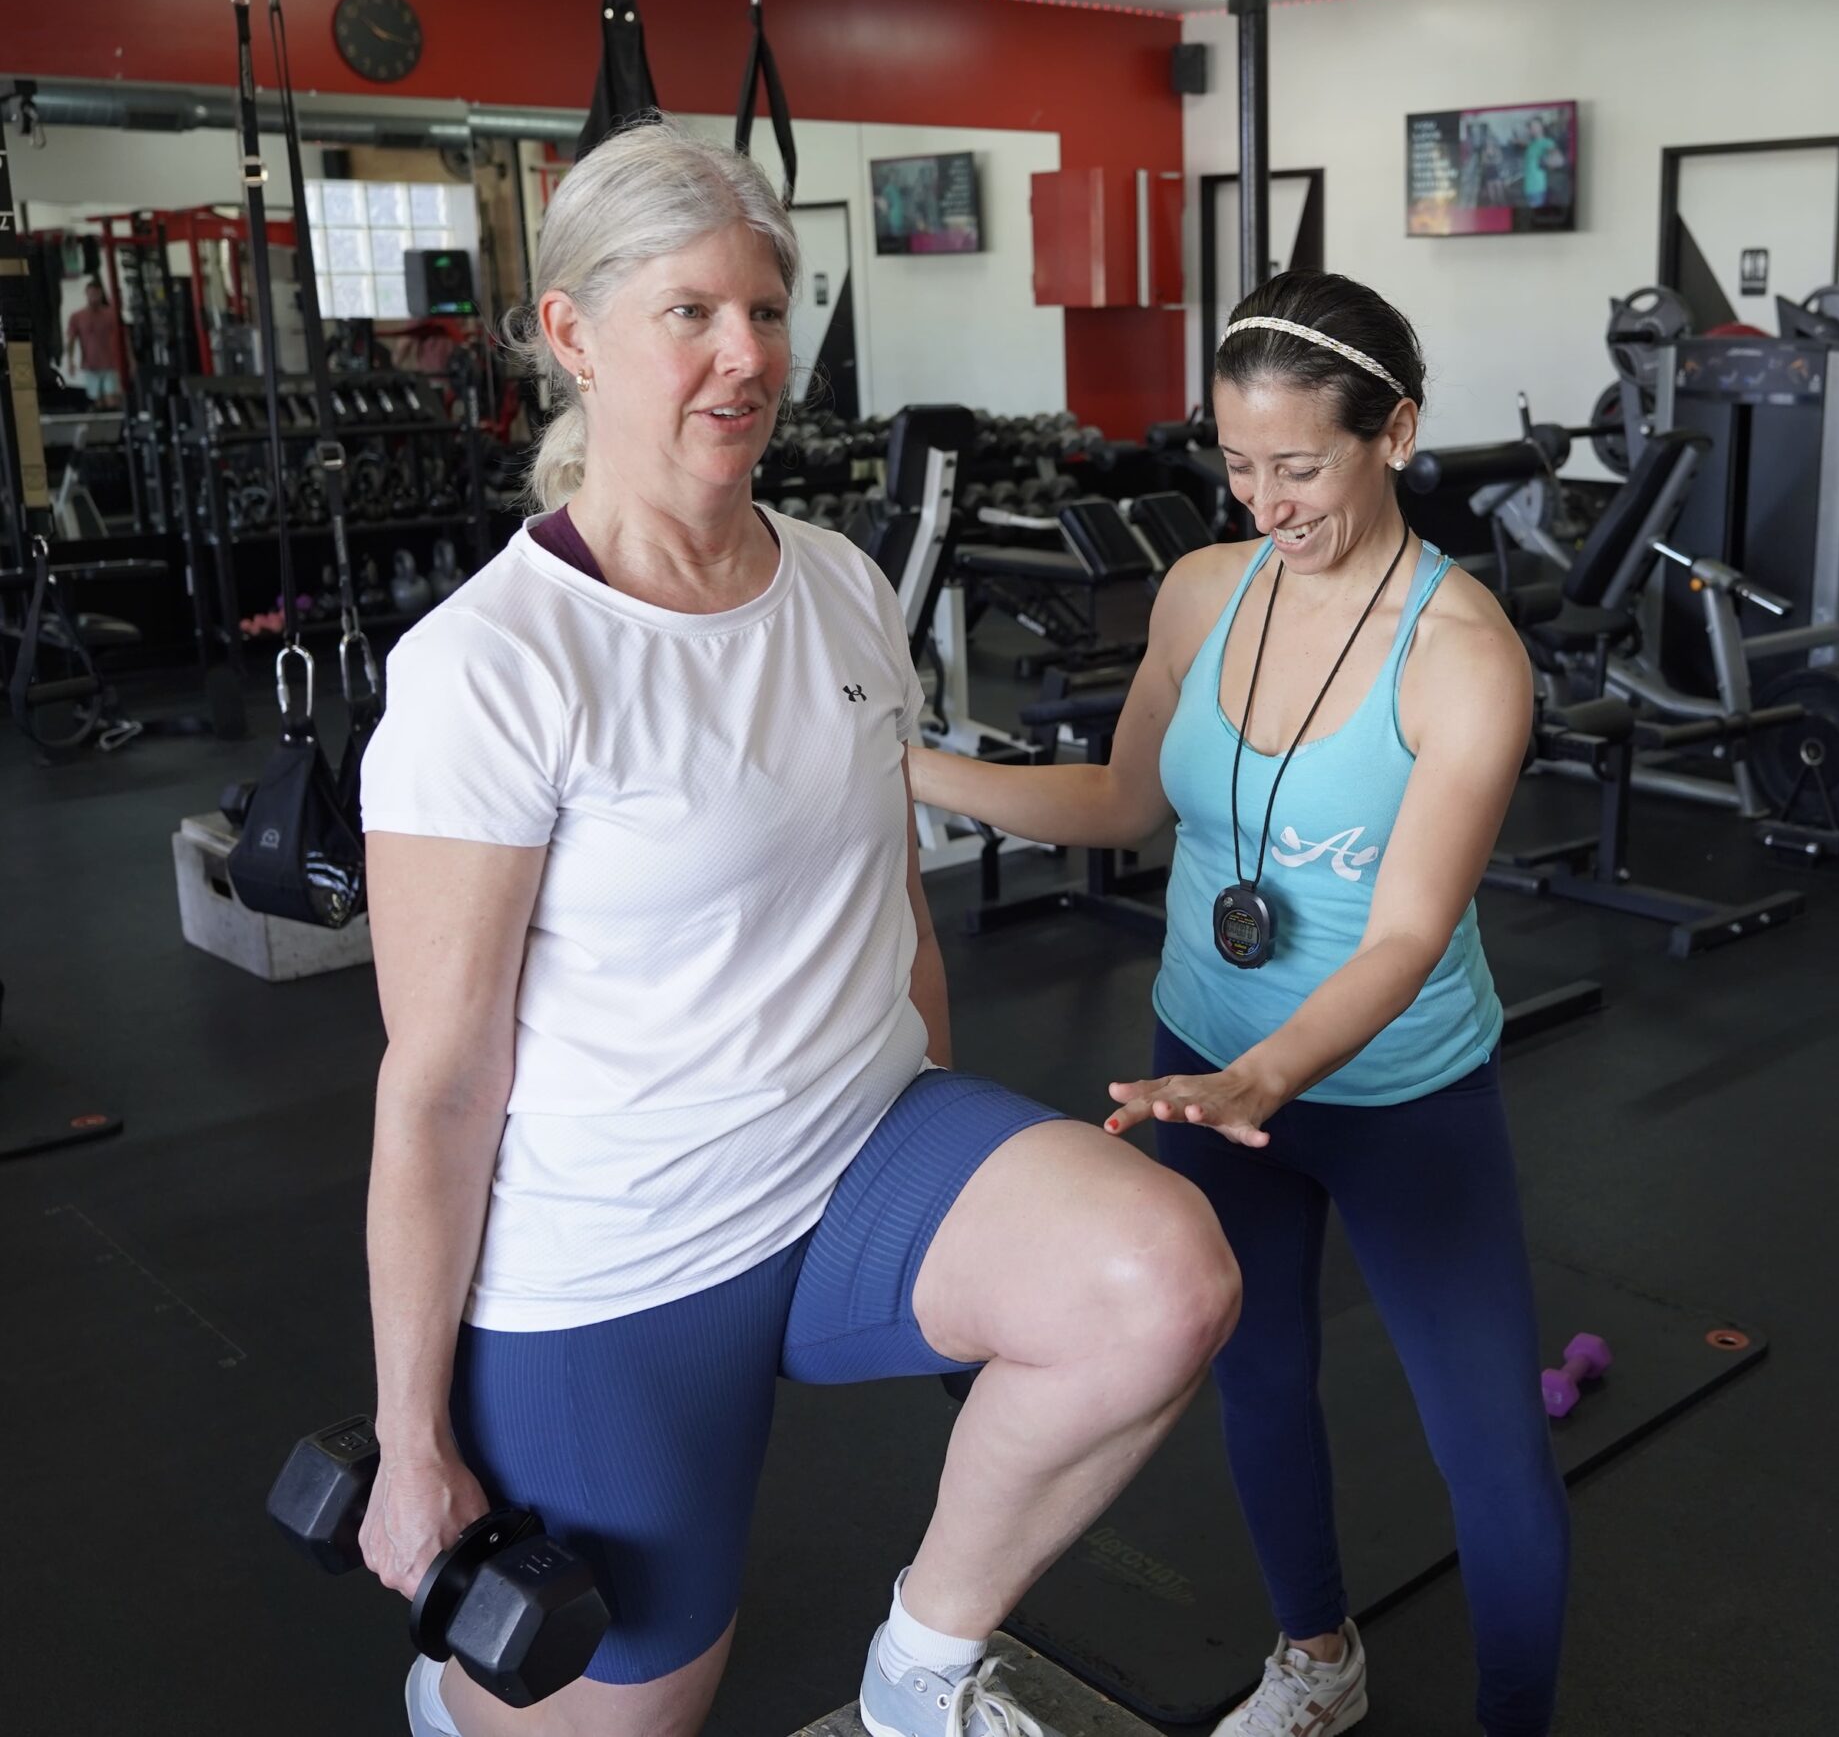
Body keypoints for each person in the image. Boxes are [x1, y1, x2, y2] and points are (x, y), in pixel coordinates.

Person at [353, 120, 1241, 1737]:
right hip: (620, 1256)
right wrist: (413, 1436)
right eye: (689, 312)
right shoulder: (493, 667)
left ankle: (919, 1675)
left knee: (1156, 1277)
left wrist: (954, 1167)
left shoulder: (837, 581)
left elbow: (890, 895)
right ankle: (452, 1701)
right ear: (572, 333)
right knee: (631, 1719)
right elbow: (439, 1081)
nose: (746, 355)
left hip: (858, 1157)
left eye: (765, 309)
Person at [909, 270, 1570, 1737]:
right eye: (1238, 462)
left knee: (1489, 1450)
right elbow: (1121, 800)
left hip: (1396, 1091)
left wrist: (1271, 1072)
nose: (1265, 501)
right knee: (1258, 1375)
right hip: (1202, 1061)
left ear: (1396, 433)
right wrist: (908, 769)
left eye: (1300, 466)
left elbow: (1408, 934)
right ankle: (1317, 1656)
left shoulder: (1463, 660)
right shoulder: (1204, 591)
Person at [64, 277, 121, 408]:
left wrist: (130, 360)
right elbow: (71, 340)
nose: (94, 297)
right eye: (91, 293)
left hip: (110, 364)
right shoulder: (77, 316)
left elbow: (123, 338)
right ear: (86, 294)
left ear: (101, 294)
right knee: (97, 401)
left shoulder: (110, 314)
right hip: (90, 366)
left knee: (112, 399)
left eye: (96, 293)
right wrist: (70, 361)